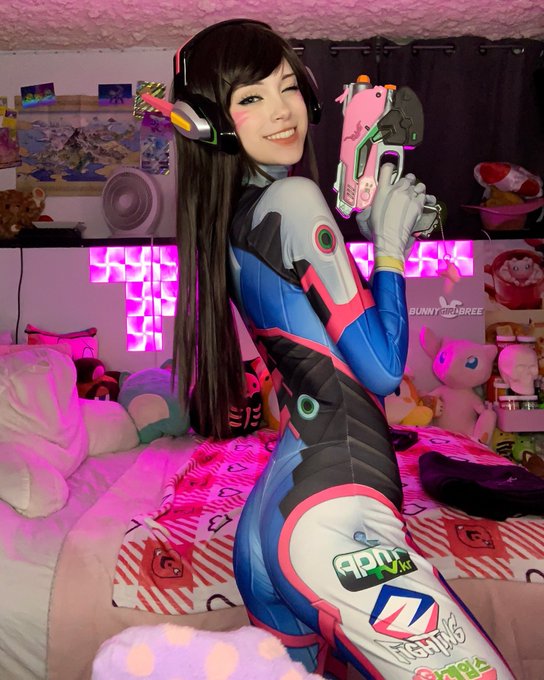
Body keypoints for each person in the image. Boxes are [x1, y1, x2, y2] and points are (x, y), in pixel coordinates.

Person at [168, 18, 515, 680]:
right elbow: (381, 371)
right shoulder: (294, 198)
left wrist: (365, 230)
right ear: (206, 122)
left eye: (287, 88)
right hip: (333, 511)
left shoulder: (230, 221)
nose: (282, 111)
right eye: (251, 98)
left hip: (270, 522)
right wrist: (389, 249)